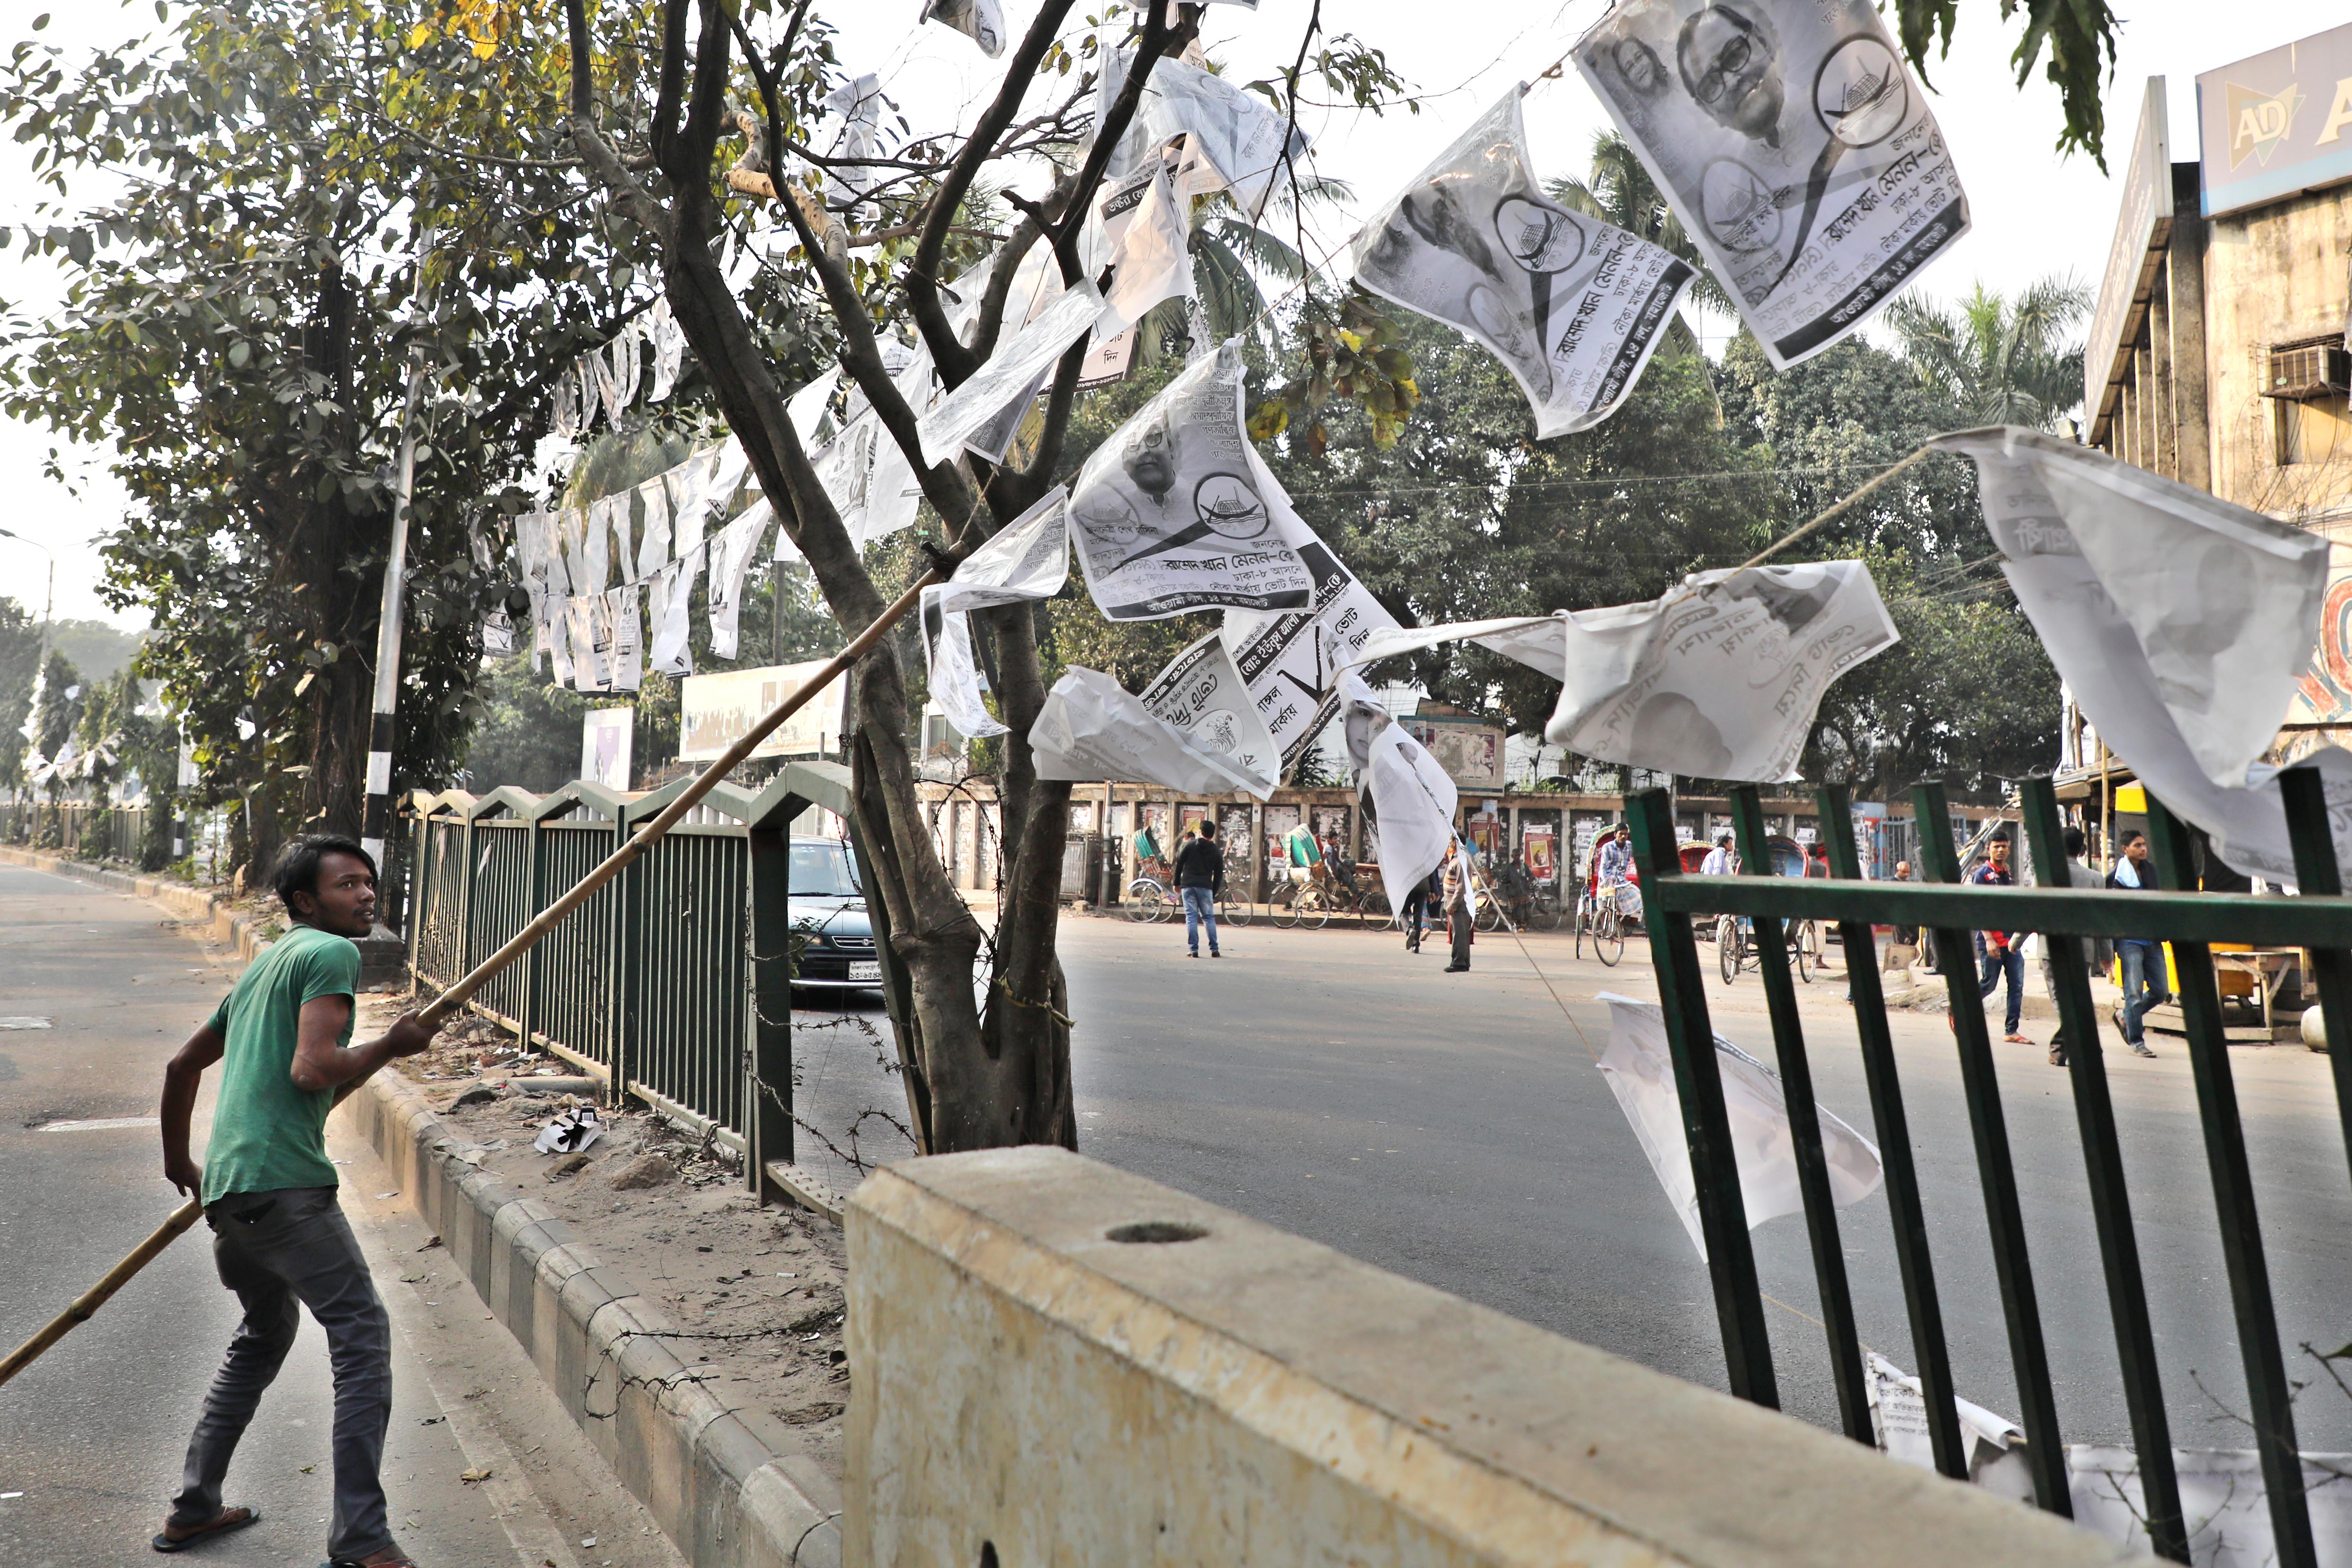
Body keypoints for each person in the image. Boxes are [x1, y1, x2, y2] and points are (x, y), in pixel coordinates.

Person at [154, 835, 439, 1565]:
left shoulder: (265, 966)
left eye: (369, 882)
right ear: (307, 901)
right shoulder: (329, 955)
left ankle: (194, 1506)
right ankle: (362, 1537)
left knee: (261, 1337)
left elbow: (183, 1063)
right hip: (286, 1189)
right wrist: (392, 1046)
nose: (366, 894)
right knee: (363, 1339)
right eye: (347, 885)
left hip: (233, 1192)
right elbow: (314, 1068)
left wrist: (181, 1161)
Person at [2042, 827, 2106, 1068]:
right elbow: (2103, 921)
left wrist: (2016, 942)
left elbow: (2033, 910)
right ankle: (2061, 1050)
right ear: (2082, 849)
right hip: (2083, 949)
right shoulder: (2096, 878)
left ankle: (2084, 1044)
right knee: (2076, 999)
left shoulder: (2046, 874)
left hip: (2052, 947)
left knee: (2061, 999)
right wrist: (2107, 955)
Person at [2108, 831, 2165, 1058]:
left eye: (2144, 844)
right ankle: (2136, 1040)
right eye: (2137, 845)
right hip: (2129, 941)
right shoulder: (2116, 878)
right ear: (2125, 849)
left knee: (2160, 991)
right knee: (2134, 993)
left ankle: (2125, 1016)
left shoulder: (2151, 871)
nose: (2143, 849)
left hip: (2152, 939)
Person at [1969, 834, 2030, 1044]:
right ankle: (1961, 1008)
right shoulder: (1982, 875)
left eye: (2004, 846)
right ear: (1989, 849)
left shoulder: (2007, 875)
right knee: (1989, 984)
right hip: (1992, 942)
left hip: (2010, 942)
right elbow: (1978, 908)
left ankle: (2011, 1030)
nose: (2001, 850)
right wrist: (1988, 939)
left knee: (2017, 986)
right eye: (1996, 847)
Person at [1174, 817, 1225, 959]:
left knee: (1191, 917)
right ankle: (1214, 949)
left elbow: (1180, 865)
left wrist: (1177, 883)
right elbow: (1218, 875)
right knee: (1209, 918)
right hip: (1205, 888)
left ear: (1201, 832)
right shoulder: (1216, 851)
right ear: (1213, 834)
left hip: (1188, 886)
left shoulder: (1190, 846)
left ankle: (1193, 950)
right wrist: (1213, 892)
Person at [1442, 841, 1476, 972]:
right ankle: (1464, 961)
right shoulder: (1458, 859)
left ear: (1453, 842)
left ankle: (1459, 962)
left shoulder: (1462, 861)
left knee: (1460, 935)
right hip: (1458, 903)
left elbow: (1461, 887)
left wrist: (1453, 905)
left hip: (1460, 904)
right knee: (1462, 934)